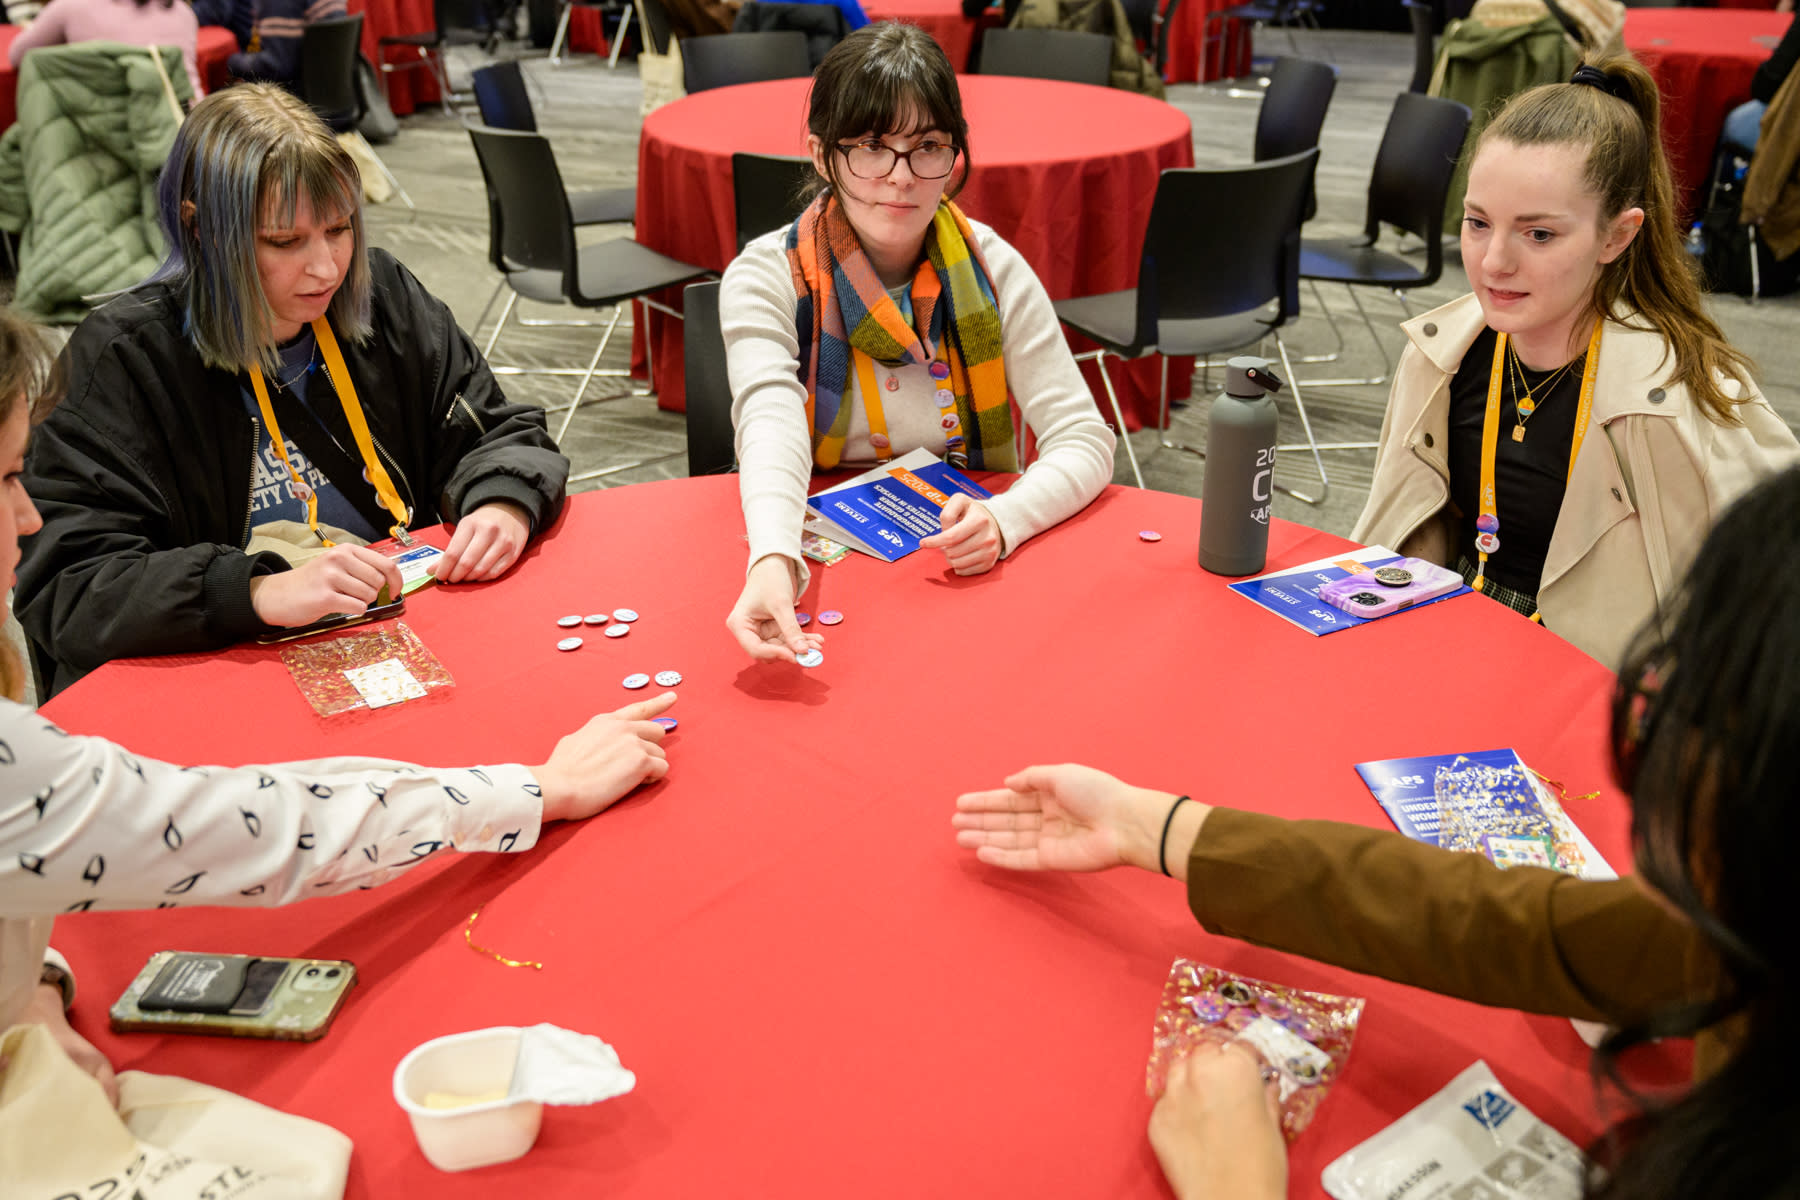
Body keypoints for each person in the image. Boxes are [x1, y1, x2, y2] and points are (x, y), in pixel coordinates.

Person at [954, 466, 1800, 1199]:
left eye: (1698, 705)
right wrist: (1157, 827)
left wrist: (1233, 1182)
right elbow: (1493, 918)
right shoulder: (1733, 927)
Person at [0, 306, 674, 1106]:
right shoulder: (128, 359)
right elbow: (270, 828)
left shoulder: (384, 303)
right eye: (9, 477)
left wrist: (36, 983)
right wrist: (540, 788)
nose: (28, 514)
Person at [15, 84, 568, 697]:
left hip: (395, 637)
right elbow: (67, 586)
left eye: (338, 229)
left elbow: (500, 430)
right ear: (201, 231)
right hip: (223, 676)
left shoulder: (383, 296)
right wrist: (255, 589)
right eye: (284, 242)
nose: (327, 268)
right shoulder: (120, 360)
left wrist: (503, 500)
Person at [1352, 57, 1799, 668]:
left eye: (1539, 234)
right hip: (1443, 644)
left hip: (1585, 685)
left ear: (1616, 237)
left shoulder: (1680, 395)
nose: (1493, 263)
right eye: (1478, 223)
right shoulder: (1440, 353)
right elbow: (1395, 530)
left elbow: (1767, 588)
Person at [720, 22, 1115, 663]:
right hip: (817, 541)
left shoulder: (992, 267)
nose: (901, 177)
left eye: (927, 145)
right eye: (872, 147)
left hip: (956, 556)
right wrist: (772, 556)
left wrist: (1006, 519)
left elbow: (1085, 439)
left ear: (954, 154)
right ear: (822, 155)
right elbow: (770, 423)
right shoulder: (768, 274)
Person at [4, 0, 203, 97]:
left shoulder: (71, 6)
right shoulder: (184, 12)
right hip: (191, 138)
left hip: (109, 143)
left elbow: (17, 55)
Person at [224, 0, 346, 86]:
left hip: (298, 105)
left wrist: (230, 62)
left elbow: (276, 65)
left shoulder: (277, 4)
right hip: (333, 91)